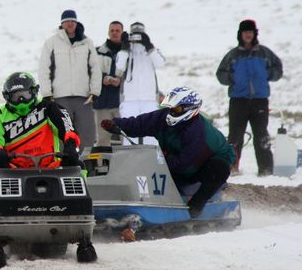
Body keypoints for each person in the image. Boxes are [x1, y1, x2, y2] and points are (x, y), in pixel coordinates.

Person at [100, 87, 235, 218]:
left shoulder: (198, 132)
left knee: (218, 167)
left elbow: (185, 165)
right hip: (177, 158)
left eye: (175, 109)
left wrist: (162, 159)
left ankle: (196, 205)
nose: (171, 112)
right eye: (170, 108)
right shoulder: (163, 117)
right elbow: (139, 124)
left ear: (189, 109)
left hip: (204, 164)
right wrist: (116, 125)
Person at [0, 72, 82, 219]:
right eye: (16, 96)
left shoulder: (49, 108)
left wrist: (70, 144)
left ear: (34, 92)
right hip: (14, 168)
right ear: (7, 97)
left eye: (24, 95)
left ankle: (81, 211)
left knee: (77, 163)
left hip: (50, 166)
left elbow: (67, 127)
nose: (21, 100)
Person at [216, 19, 283, 176]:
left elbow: (278, 69)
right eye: (245, 32)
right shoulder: (233, 55)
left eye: (251, 32)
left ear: (254, 34)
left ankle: (266, 171)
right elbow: (221, 74)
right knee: (235, 137)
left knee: (261, 136)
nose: (248, 34)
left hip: (260, 101)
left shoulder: (265, 53)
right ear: (240, 34)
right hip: (238, 101)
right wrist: (233, 79)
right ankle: (232, 169)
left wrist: (268, 74)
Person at [38, 9, 102, 149]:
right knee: (61, 134)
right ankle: (62, 166)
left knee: (87, 135)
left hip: (84, 98)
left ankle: (86, 166)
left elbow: (95, 68)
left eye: (73, 21)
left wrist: (95, 91)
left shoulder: (87, 42)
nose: (70, 24)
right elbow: (44, 68)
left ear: (76, 22)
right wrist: (47, 94)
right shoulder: (51, 42)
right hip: (59, 98)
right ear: (62, 24)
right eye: (67, 21)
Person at [115, 21, 165, 145]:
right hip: (129, 99)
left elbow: (160, 63)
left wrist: (149, 46)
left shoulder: (151, 50)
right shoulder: (125, 51)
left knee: (151, 132)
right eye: (134, 34)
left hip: (149, 98)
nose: (137, 37)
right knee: (129, 131)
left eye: (140, 34)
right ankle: (129, 160)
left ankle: (152, 160)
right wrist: (125, 48)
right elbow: (119, 67)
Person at [94, 21, 124, 146]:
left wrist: (120, 81)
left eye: (117, 31)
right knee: (102, 140)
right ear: (108, 32)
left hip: (122, 104)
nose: (114, 33)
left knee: (126, 138)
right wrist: (102, 79)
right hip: (102, 103)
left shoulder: (127, 53)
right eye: (112, 30)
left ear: (122, 32)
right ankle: (101, 165)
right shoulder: (98, 52)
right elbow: (91, 72)